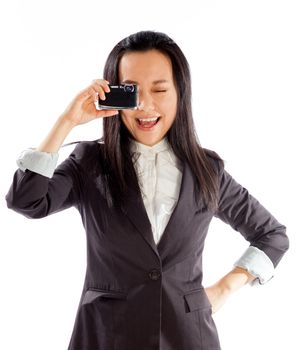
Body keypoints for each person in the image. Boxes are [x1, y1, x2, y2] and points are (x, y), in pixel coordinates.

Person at [5, 30, 289, 350]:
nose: (145, 106)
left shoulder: (208, 171)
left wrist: (223, 289)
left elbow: (273, 236)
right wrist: (67, 121)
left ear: (180, 93)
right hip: (106, 336)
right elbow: (26, 201)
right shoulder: (90, 162)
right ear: (113, 93)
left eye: (160, 89)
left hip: (188, 336)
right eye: (132, 91)